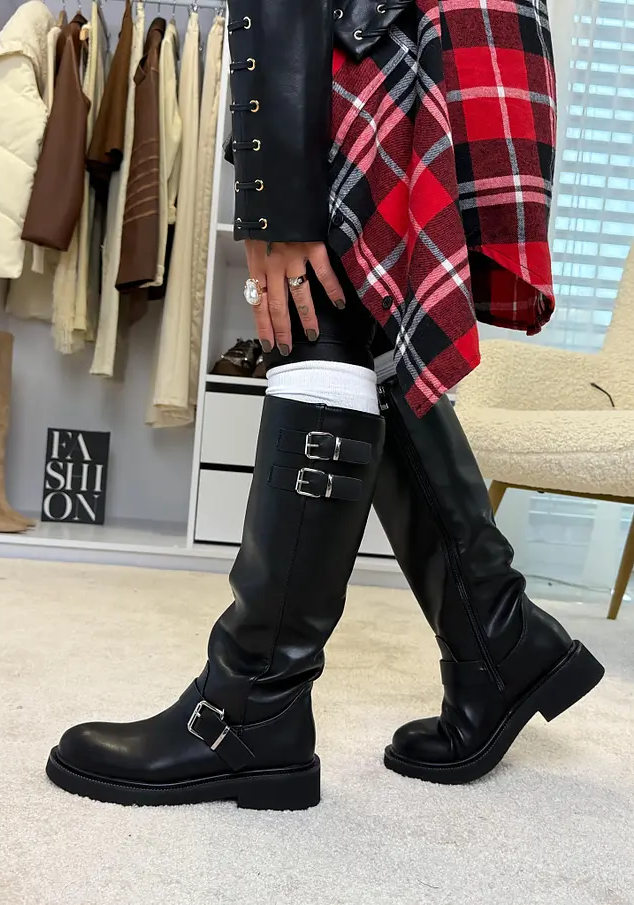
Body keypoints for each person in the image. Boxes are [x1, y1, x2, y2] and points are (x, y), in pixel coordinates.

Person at [45, 0, 604, 808]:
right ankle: (496, 635)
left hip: (385, 27)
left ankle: (251, 705)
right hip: (462, 28)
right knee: (363, 328)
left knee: (320, 305)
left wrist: (280, 201)